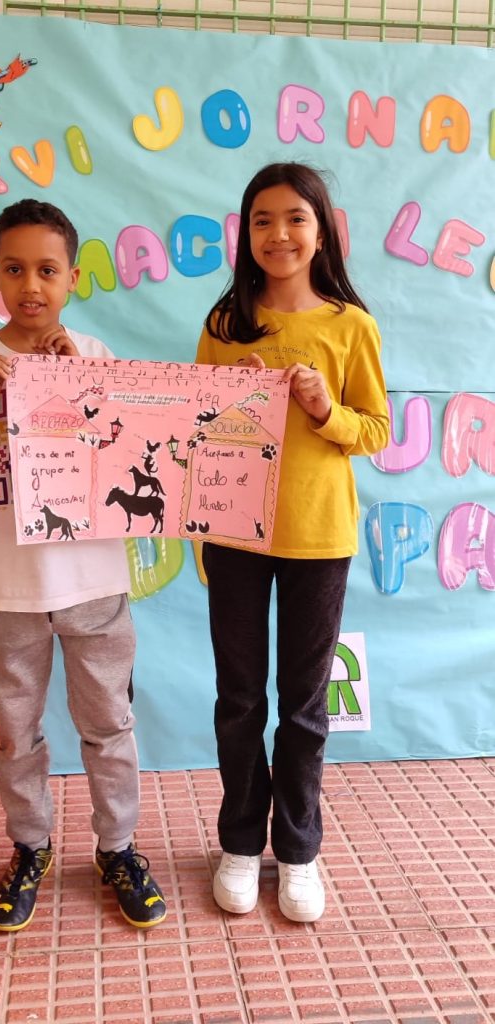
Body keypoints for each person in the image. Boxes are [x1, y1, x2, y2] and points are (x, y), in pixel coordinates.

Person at [0, 198, 166, 932]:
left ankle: (117, 848)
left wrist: (83, 389)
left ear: (71, 279)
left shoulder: (93, 355)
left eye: (47, 270)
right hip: (4, 586)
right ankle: (30, 847)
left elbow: (129, 461)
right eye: (15, 269)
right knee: (15, 731)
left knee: (109, 723)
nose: (30, 284)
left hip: (92, 581)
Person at [195, 162, 389, 923]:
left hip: (319, 536)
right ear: (245, 234)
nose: (278, 234)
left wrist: (323, 409)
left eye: (295, 218)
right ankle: (241, 843)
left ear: (322, 232)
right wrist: (228, 405)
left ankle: (299, 850)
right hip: (235, 535)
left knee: (304, 707)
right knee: (239, 698)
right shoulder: (224, 324)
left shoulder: (350, 326)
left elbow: (373, 430)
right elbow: (196, 435)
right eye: (262, 220)